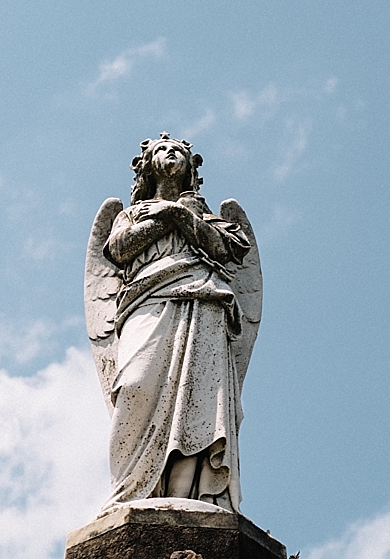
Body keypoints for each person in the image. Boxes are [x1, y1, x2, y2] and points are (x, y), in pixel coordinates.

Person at [85, 135, 260, 510]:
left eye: (178, 152)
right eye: (162, 151)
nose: (171, 156)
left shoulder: (207, 216)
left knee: (199, 400)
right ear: (147, 165)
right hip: (146, 301)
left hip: (203, 301)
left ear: (191, 168)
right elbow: (118, 249)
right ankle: (129, 492)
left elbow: (225, 249)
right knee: (134, 385)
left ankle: (187, 496)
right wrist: (167, 215)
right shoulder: (130, 214)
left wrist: (182, 215)